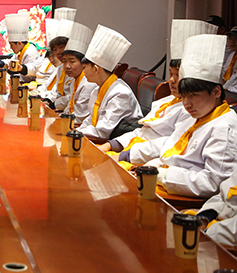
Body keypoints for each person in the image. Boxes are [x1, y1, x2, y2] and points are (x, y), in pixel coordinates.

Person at [120, 34, 237, 198]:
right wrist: (145, 165)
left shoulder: (225, 127)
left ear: (217, 92)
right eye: (184, 96)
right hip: (161, 180)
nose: (187, 104)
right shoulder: (198, 115)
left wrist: (159, 175)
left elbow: (212, 183)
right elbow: (168, 149)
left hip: (179, 196)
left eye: (194, 96)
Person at [102, 19, 216, 153]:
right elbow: (142, 133)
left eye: (178, 75)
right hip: (132, 151)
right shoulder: (167, 101)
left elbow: (169, 147)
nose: (171, 80)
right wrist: (111, 145)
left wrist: (125, 155)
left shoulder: (191, 110)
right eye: (170, 74)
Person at [79, 25, 142, 140]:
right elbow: (91, 119)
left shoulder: (120, 93)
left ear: (96, 69)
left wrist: (77, 133)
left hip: (119, 143)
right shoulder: (97, 90)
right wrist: (76, 131)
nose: (83, 72)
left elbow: (102, 131)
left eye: (84, 68)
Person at [60, 22, 97, 125]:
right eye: (64, 61)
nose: (67, 66)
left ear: (83, 63)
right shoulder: (74, 80)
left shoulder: (88, 83)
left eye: (72, 61)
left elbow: (81, 117)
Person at [40, 19, 75, 111]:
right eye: (55, 50)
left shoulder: (77, 70)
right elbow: (57, 90)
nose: (58, 52)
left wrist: (54, 104)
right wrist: (48, 100)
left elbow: (72, 96)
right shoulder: (60, 68)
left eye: (61, 47)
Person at [221, 26, 237, 93]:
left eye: (236, 38)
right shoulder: (232, 55)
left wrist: (225, 88)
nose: (232, 41)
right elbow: (224, 74)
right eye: (230, 38)